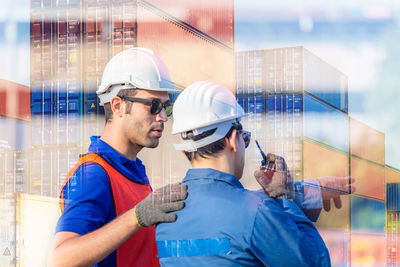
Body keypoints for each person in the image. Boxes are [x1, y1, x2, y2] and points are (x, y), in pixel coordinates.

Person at [156, 81, 332, 266]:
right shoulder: (256, 211)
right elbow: (316, 262)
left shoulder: (164, 214)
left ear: (185, 152)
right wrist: (285, 197)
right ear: (233, 140)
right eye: (245, 139)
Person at [47, 47, 187, 267]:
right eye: (154, 105)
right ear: (118, 106)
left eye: (166, 107)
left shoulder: (130, 171)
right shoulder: (93, 174)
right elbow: (61, 259)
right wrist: (136, 217)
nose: (162, 117)